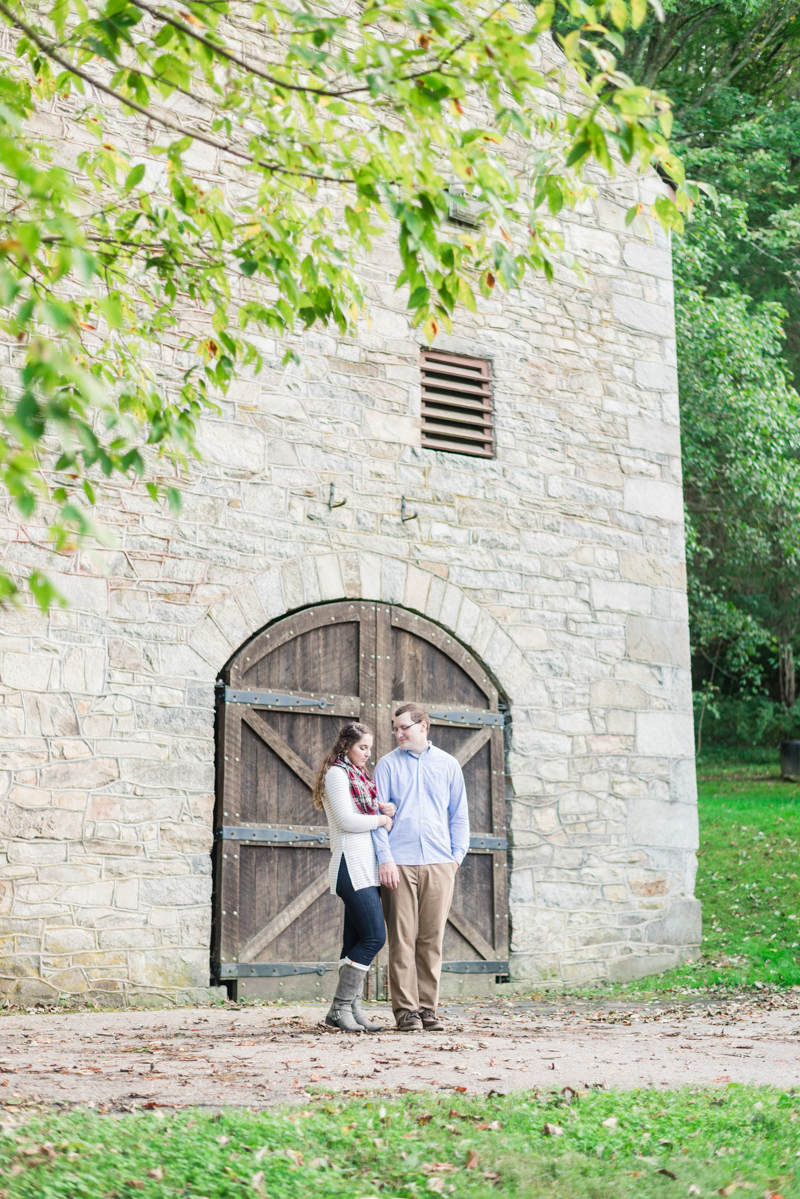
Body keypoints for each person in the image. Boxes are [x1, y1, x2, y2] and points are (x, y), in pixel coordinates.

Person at [372, 704, 470, 1032]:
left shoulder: (448, 764)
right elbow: (377, 820)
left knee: (431, 938)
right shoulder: (386, 765)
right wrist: (385, 858)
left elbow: (458, 814)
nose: (399, 733)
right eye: (395, 728)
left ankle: (428, 1009)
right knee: (402, 939)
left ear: (423, 726)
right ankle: (405, 1012)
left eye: (404, 728)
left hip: (440, 863)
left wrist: (456, 856)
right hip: (399, 863)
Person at [312, 722, 396, 1032]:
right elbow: (348, 821)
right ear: (346, 745)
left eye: (370, 749)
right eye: (363, 747)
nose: (367, 754)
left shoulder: (359, 777)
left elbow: (364, 811)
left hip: (365, 866)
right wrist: (380, 819)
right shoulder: (337, 774)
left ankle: (352, 1010)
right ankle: (340, 1007)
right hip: (351, 864)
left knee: (355, 941)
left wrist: (383, 809)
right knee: (375, 937)